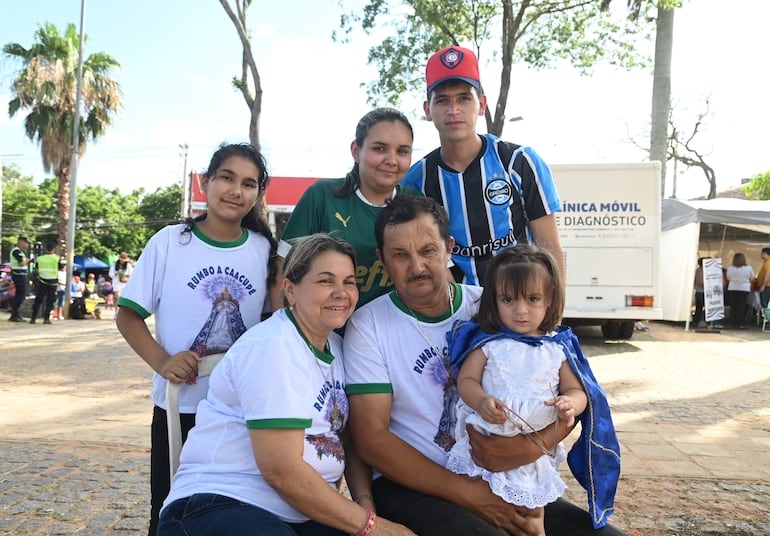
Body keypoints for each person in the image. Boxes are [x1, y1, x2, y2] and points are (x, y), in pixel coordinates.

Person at [343, 194, 625, 536]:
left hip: (505, 476)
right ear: (382, 260)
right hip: (415, 485)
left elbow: (564, 390)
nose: (416, 267)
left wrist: (519, 451)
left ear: (449, 248)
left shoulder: (495, 305)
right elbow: (371, 438)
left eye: (428, 250)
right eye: (400, 255)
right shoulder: (369, 324)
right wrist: (468, 494)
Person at [158, 234, 413, 536]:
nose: (341, 293)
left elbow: (345, 437)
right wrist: (375, 528)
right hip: (220, 502)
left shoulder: (336, 345)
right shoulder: (275, 346)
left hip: (297, 514)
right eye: (325, 281)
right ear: (290, 290)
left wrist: (365, 505)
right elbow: (282, 472)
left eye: (349, 282)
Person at [117, 143, 281, 536]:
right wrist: (163, 361)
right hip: (181, 407)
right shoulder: (171, 242)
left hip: (241, 411)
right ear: (206, 182)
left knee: (236, 508)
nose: (235, 190)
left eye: (248, 183)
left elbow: (272, 325)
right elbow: (128, 315)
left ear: (258, 194)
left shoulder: (264, 251)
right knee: (171, 508)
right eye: (226, 177)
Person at [445, 245, 620, 534]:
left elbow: (578, 392)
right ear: (494, 301)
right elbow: (466, 381)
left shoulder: (555, 349)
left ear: (550, 301)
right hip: (487, 443)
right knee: (485, 514)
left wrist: (569, 403)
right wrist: (482, 402)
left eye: (533, 298)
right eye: (508, 299)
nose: (520, 309)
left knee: (532, 516)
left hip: (533, 452)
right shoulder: (489, 344)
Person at [401, 46, 564, 286]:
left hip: (518, 309)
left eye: (464, 98)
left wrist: (554, 315)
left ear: (481, 105)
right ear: (428, 109)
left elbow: (549, 248)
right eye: (443, 100)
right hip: (455, 313)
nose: (453, 109)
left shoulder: (519, 162)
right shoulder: (416, 180)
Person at [278, 107, 421, 309]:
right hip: (327, 333)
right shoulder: (322, 197)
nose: (391, 160)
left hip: (392, 333)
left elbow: (438, 269)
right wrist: (287, 334)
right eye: (379, 149)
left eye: (402, 151)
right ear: (356, 150)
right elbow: (282, 270)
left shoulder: (416, 202)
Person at [29, 243, 60, 325]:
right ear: (54, 249)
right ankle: (46, 319)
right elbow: (60, 267)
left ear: (46, 249)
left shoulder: (40, 258)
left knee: (38, 300)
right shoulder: (57, 258)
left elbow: (36, 269)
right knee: (50, 301)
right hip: (52, 282)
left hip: (42, 281)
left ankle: (33, 318)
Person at [725, 252, 755, 329]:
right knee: (741, 306)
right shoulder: (748, 268)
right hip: (744, 288)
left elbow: (728, 278)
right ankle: (740, 323)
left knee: (733, 306)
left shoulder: (730, 268)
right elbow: (752, 278)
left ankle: (733, 322)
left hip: (732, 288)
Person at [8, 236, 32, 322]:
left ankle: (15, 313)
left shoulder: (21, 252)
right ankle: (14, 313)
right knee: (21, 294)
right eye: (26, 243)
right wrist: (29, 261)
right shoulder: (16, 251)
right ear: (21, 242)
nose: (27, 245)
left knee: (21, 294)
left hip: (21, 275)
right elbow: (21, 263)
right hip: (18, 275)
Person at [693, 257, 706, 327]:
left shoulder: (699, 270)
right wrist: (706, 287)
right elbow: (699, 281)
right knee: (701, 307)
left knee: (699, 307)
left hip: (700, 291)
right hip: (701, 291)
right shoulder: (700, 270)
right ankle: (699, 321)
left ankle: (698, 320)